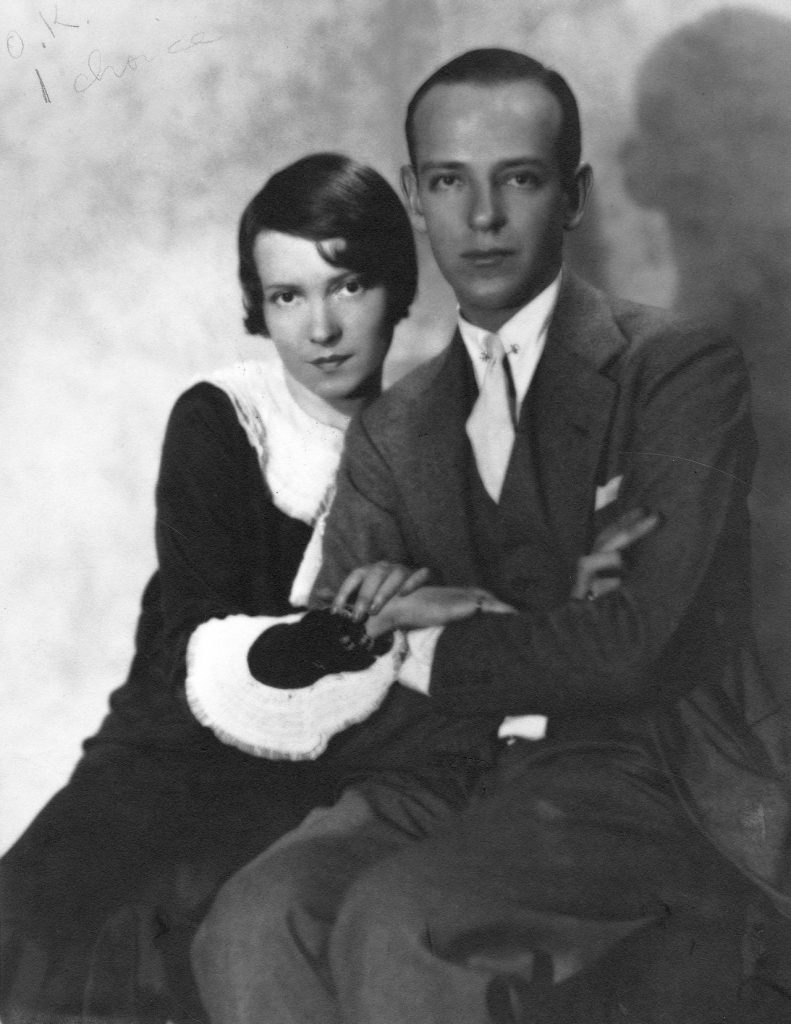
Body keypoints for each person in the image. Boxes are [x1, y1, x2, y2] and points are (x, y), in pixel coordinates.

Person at [192, 49, 791, 1024]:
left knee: (409, 922)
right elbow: (338, 649)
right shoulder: (395, 427)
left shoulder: (676, 373)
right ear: (411, 197)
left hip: (643, 777)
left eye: (516, 179)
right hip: (451, 772)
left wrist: (441, 627)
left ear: (572, 196)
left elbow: (635, 646)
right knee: (257, 919)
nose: (480, 217)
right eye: (446, 182)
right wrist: (388, 634)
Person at [0, 152, 420, 1024]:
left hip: (321, 777)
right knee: (37, 917)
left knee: (219, 933)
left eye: (347, 286)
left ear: (397, 287)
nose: (321, 328)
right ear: (258, 308)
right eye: (286, 296)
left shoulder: (436, 439)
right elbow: (198, 643)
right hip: (169, 750)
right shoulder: (226, 419)